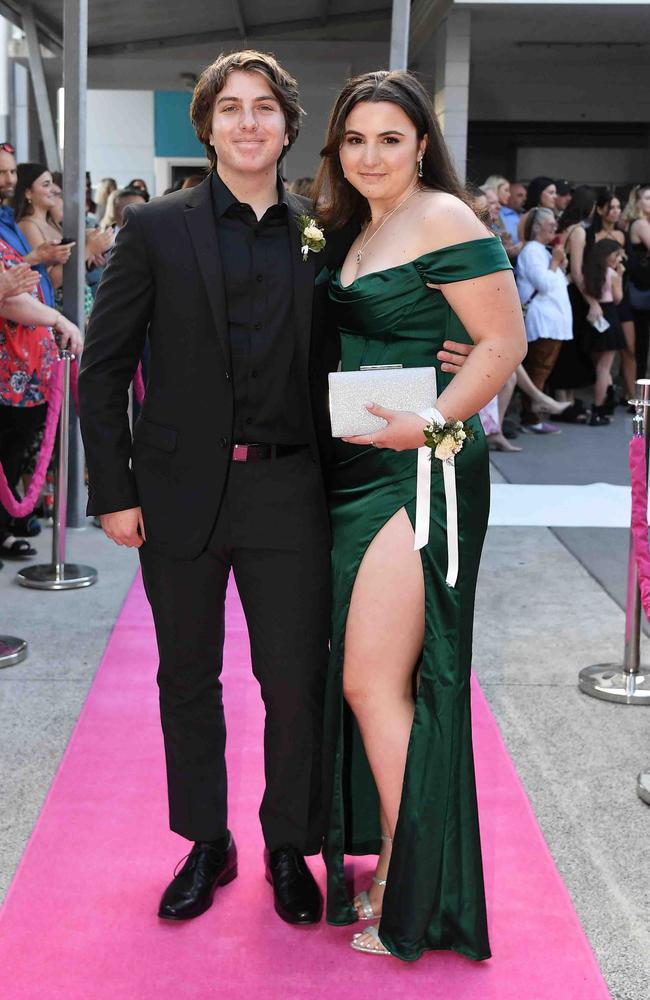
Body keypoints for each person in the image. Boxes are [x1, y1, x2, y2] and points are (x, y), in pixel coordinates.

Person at [313, 70, 526, 959]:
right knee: (382, 681)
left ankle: (416, 884)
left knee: (375, 680)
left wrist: (436, 418)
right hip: (362, 463)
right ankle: (404, 851)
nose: (370, 155)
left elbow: (503, 343)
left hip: (422, 471)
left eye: (389, 139)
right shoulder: (360, 225)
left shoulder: (443, 215)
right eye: (355, 139)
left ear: (421, 144)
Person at [0, 237, 82, 562]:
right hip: (9, 370)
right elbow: (9, 301)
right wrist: (58, 319)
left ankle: (4, 528)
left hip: (25, 372)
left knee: (11, 455)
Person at [516, 207, 572, 431]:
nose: (555, 228)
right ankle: (531, 418)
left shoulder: (542, 250)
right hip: (543, 321)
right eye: (550, 224)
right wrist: (555, 263)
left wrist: (559, 265)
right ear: (537, 227)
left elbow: (559, 283)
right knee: (539, 369)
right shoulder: (532, 250)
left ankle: (534, 415)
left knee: (542, 369)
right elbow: (544, 283)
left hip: (552, 321)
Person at [0, 145, 71, 307]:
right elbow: (10, 276)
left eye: (12, 172)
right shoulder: (25, 224)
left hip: (37, 316)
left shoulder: (8, 217)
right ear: (28, 192)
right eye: (1, 173)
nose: (10, 180)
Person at [582, 238, 625, 425]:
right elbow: (618, 298)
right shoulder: (612, 274)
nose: (618, 259)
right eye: (616, 255)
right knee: (604, 368)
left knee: (599, 364)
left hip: (595, 316)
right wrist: (620, 276)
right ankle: (598, 408)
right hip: (608, 314)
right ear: (607, 255)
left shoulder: (589, 272)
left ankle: (606, 404)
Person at [625, 183, 650, 379]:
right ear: (637, 202)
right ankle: (637, 388)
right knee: (640, 343)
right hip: (641, 288)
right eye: (648, 198)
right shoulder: (640, 224)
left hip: (642, 287)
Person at [518, 176, 557, 242]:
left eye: (555, 193)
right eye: (551, 193)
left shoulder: (550, 214)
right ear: (539, 193)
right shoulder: (530, 216)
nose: (555, 197)